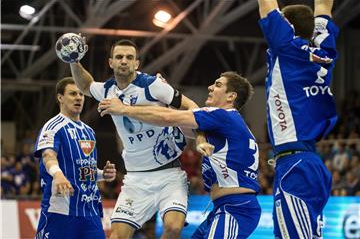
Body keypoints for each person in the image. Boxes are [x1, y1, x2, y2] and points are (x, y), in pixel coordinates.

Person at [98, 71, 262, 238]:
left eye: (218, 85)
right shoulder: (226, 123)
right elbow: (179, 124)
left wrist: (124, 109)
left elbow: (170, 119)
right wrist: (165, 97)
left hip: (236, 207)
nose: (210, 87)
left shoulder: (222, 116)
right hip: (226, 206)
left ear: (231, 97)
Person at [70, 39, 206, 239]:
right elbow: (86, 86)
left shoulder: (153, 86)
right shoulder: (108, 90)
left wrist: (200, 138)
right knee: (117, 236)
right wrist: (74, 61)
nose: (124, 61)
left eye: (129, 57)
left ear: (136, 64)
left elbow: (191, 106)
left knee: (174, 228)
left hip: (169, 174)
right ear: (111, 63)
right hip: (135, 178)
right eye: (119, 57)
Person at [257, 0, 339, 238]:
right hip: (310, 162)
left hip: (295, 165)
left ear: (287, 25)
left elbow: (267, 4)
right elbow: (324, 5)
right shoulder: (325, 50)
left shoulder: (285, 47)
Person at [34, 77, 116, 239]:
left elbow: (83, 171)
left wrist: (101, 174)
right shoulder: (53, 127)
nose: (78, 97)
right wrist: (57, 174)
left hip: (90, 212)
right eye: (72, 94)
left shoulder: (89, 131)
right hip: (61, 212)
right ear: (60, 98)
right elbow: (48, 156)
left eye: (81, 94)